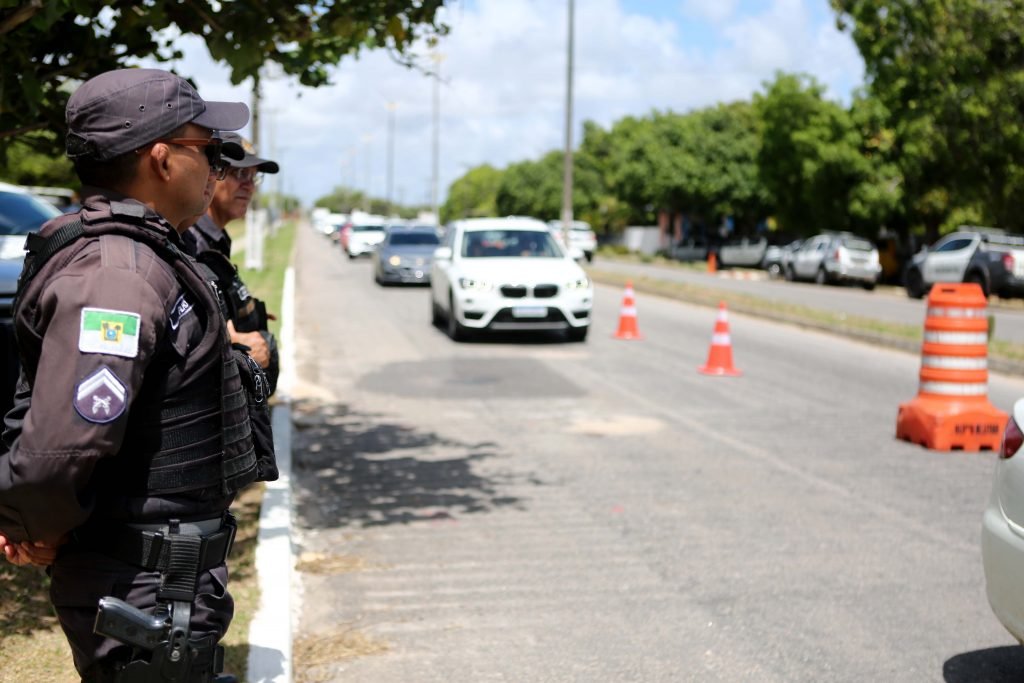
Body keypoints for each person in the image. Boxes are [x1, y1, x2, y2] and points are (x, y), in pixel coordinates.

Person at [0, 68, 276, 683]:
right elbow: (65, 444)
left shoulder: (148, 254)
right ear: (160, 158)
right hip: (145, 584)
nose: (218, 167)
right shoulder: (117, 276)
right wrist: (30, 525)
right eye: (207, 149)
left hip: (166, 579)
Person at [183, 133, 280, 393]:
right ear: (212, 174)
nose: (249, 186)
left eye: (254, 177)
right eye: (240, 174)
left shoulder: (215, 239)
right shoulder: (191, 243)